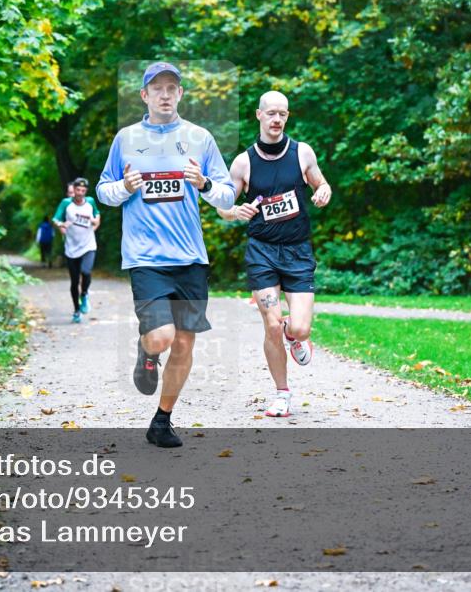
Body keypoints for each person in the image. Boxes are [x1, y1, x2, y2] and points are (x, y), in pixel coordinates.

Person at [97, 62, 235, 448]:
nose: (164, 94)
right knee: (161, 337)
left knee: (186, 343)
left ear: (180, 94)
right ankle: (146, 351)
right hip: (146, 258)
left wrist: (204, 182)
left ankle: (162, 421)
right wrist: (123, 187)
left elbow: (226, 194)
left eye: (171, 87)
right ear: (144, 95)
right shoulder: (126, 138)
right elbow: (103, 191)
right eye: (156, 88)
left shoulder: (200, 138)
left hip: (190, 257)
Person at [216, 90, 332, 418]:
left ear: (287, 116)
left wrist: (323, 191)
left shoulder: (302, 153)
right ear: (259, 115)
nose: (277, 119)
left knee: (300, 328)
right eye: (271, 113)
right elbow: (223, 205)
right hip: (262, 252)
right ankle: (282, 394)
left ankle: (294, 337)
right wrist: (233, 212)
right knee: (270, 323)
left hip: (297, 251)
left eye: (282, 113)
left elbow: (321, 184)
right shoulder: (243, 162)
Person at [53, 177, 100, 323]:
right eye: (77, 190)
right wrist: (62, 225)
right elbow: (55, 219)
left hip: (88, 245)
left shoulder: (90, 202)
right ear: (73, 190)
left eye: (83, 190)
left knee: (86, 272)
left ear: (86, 191)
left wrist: (95, 223)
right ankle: (76, 310)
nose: (80, 193)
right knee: (74, 281)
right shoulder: (66, 204)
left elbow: (97, 215)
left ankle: (84, 294)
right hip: (71, 248)